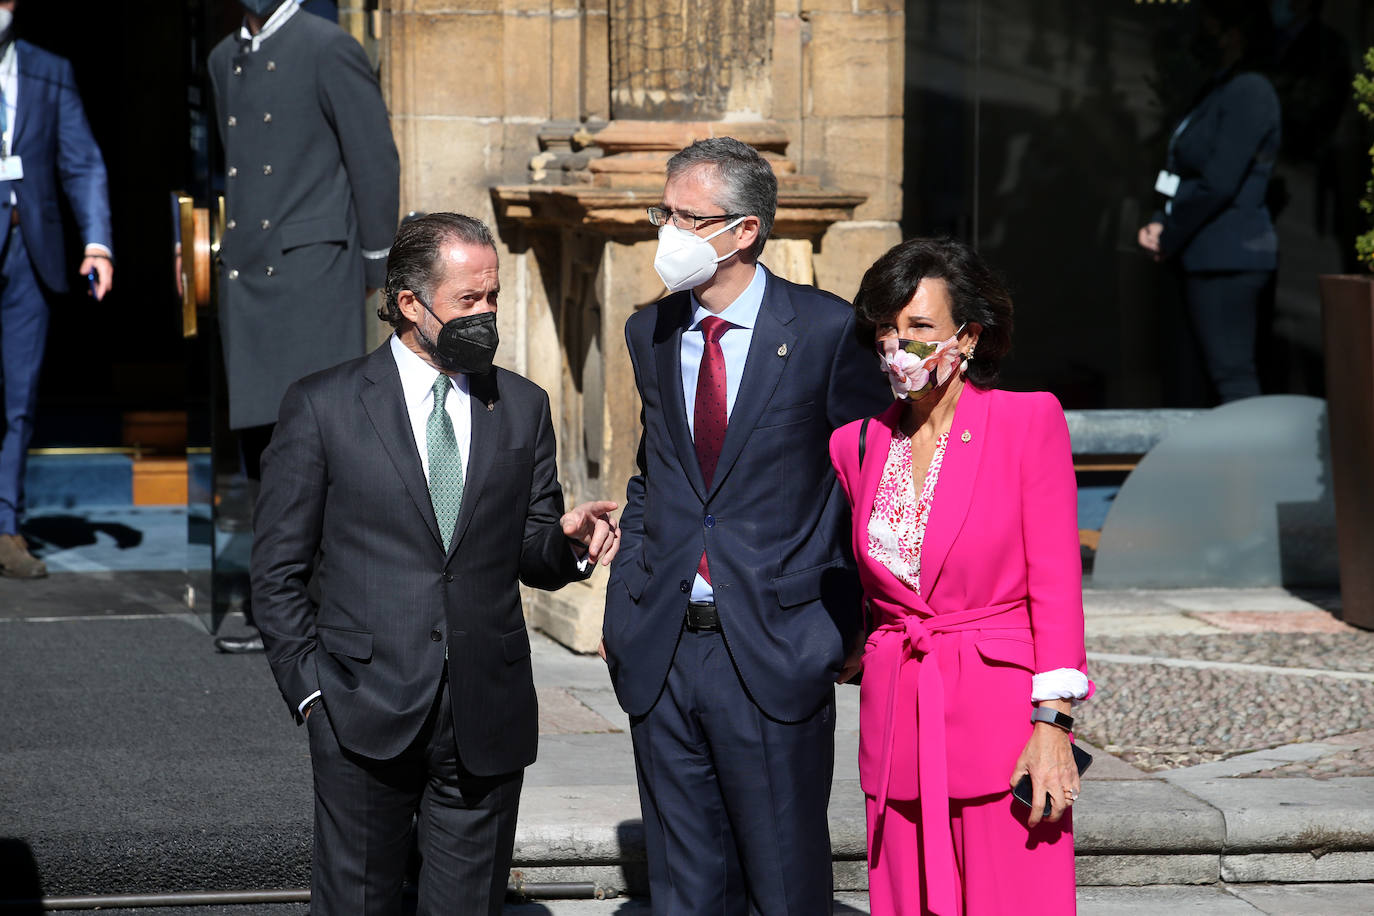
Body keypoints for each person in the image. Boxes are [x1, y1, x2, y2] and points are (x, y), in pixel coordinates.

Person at [250, 212, 621, 916]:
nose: (485, 315)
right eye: (467, 301)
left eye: (493, 298)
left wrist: (569, 544)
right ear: (411, 304)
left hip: (485, 709)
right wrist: (312, 693)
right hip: (361, 707)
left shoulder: (521, 406)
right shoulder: (324, 405)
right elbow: (276, 571)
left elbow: (529, 546)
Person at [601, 137, 890, 914]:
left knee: (784, 883)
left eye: (687, 217)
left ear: (744, 231)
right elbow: (653, 474)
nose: (667, 232)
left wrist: (844, 628)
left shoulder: (828, 331)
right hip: (662, 646)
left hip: (774, 644)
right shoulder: (648, 332)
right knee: (684, 890)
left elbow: (865, 482)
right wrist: (624, 599)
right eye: (663, 212)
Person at [828, 237, 1093, 915]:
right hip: (897, 724)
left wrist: (1053, 727)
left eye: (919, 327)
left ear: (968, 336)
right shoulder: (856, 443)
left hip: (1003, 728)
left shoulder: (1025, 422)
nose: (898, 345)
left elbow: (1056, 586)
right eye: (886, 328)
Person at [209, 0, 399, 651]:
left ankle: (321, 605)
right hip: (248, 277)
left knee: (316, 445)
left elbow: (373, 157)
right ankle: (276, 608)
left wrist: (379, 264)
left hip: (314, 274)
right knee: (263, 450)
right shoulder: (221, 58)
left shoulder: (328, 46)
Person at [0, 0, 113, 579]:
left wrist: (97, 242)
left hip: (28, 252)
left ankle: (6, 529)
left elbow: (81, 162)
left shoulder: (48, 68)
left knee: (18, 400)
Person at [1137, 0, 1281, 404]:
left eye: (1210, 27)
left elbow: (1219, 181)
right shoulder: (1217, 88)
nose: (1202, 37)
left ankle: (1253, 466)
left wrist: (1170, 231)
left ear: (1235, 36)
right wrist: (1159, 217)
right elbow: (1180, 170)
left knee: (1231, 376)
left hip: (1227, 259)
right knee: (1202, 380)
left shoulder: (1250, 90)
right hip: (1197, 254)